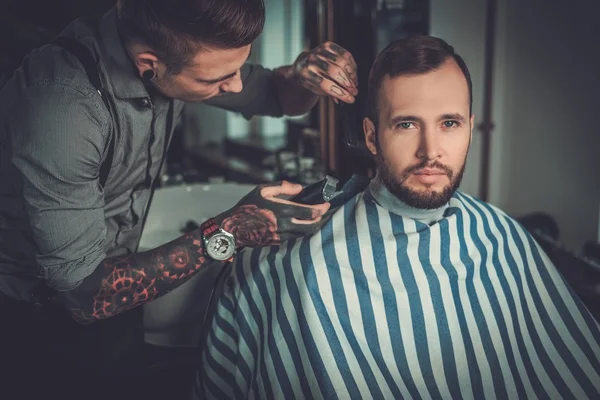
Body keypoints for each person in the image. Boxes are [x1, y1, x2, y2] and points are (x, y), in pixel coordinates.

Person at [197, 36, 600, 399]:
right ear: (372, 136)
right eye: (406, 124)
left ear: (470, 130)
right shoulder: (299, 266)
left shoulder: (501, 235)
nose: (431, 151)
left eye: (449, 124)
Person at [0, 0, 358, 387]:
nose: (235, 85)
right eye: (216, 80)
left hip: (118, 289)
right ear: (148, 64)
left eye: (238, 68)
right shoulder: (63, 107)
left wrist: (302, 77)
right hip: (35, 319)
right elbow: (84, 297)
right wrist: (228, 232)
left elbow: (275, 95)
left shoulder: (180, 49)